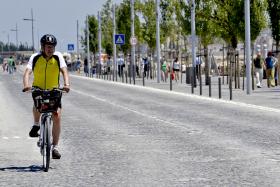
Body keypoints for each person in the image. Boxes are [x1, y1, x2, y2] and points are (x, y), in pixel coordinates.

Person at [22, 34, 70, 159]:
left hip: (54, 89)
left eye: (52, 47)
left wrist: (66, 84)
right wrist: (27, 85)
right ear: (42, 47)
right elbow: (27, 72)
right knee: (38, 106)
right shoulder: (35, 57)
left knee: (57, 115)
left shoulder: (58, 57)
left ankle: (55, 147)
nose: (50, 49)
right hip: (38, 88)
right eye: (48, 47)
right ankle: (36, 124)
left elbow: (64, 70)